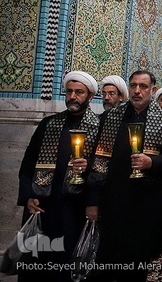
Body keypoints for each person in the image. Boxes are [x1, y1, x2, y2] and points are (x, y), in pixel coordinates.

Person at [86, 70, 162, 281]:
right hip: (113, 204)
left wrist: (152, 162)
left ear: (152, 90)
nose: (137, 91)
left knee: (137, 267)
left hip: (147, 206)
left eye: (143, 86)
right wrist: (93, 201)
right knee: (107, 266)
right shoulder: (110, 117)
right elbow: (98, 162)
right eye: (134, 86)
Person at [17, 71, 100, 282]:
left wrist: (93, 202)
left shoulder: (99, 127)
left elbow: (102, 170)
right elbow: (27, 166)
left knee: (65, 268)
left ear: (90, 96)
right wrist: (28, 196)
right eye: (69, 91)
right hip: (42, 207)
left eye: (79, 92)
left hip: (74, 210)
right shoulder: (48, 124)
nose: (73, 96)